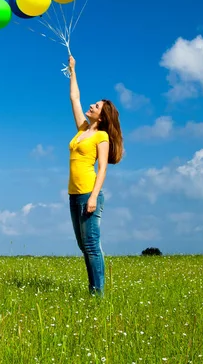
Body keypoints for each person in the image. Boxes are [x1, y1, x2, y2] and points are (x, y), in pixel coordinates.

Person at [67, 54, 123, 296]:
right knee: (83, 245)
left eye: (97, 106)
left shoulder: (102, 137)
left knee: (91, 245)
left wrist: (93, 197)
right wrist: (73, 70)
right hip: (74, 194)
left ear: (102, 116)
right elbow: (75, 98)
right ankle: (93, 289)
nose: (92, 105)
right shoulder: (82, 130)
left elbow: (103, 169)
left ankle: (97, 294)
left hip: (89, 193)